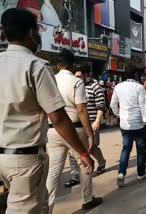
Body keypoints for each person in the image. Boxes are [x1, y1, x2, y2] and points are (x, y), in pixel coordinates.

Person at [0, 8, 94, 214]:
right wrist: (84, 152)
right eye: (38, 31)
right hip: (26, 158)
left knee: (42, 202)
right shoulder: (36, 66)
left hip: (4, 157)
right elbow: (59, 119)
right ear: (31, 33)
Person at [46, 50, 102, 213]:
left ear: (58, 65)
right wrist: (90, 134)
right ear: (72, 65)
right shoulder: (76, 82)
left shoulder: (50, 80)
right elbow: (82, 110)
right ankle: (88, 199)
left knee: (54, 172)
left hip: (53, 130)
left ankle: (47, 208)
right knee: (84, 164)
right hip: (75, 130)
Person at [110, 64, 146, 187]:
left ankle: (121, 173)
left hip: (125, 124)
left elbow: (113, 105)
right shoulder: (139, 88)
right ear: (136, 75)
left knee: (126, 148)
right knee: (140, 150)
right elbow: (144, 108)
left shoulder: (118, 87)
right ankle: (140, 173)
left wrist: (119, 114)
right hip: (139, 124)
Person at [65, 71, 107, 187]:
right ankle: (75, 176)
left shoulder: (95, 87)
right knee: (73, 150)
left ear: (86, 75)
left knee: (91, 148)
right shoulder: (72, 86)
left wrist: (97, 120)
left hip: (91, 122)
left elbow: (101, 105)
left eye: (79, 76)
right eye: (76, 76)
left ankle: (102, 162)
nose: (77, 78)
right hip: (75, 124)